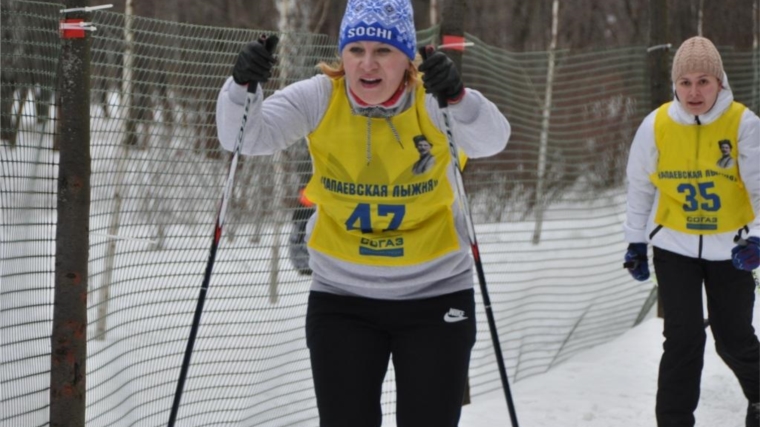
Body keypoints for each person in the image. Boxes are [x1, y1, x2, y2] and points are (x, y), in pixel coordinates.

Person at [215, 0, 510, 425]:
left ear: (407, 57)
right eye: (356, 50)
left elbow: (491, 141)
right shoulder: (320, 96)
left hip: (436, 295)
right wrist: (241, 86)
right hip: (342, 299)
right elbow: (244, 137)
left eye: (383, 51)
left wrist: (459, 97)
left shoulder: (432, 99)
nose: (367, 65)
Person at [623, 36, 760, 427]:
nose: (694, 91)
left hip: (732, 249)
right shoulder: (657, 124)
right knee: (682, 339)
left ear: (720, 82)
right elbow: (639, 186)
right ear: (674, 85)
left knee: (733, 338)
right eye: (685, 82)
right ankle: (674, 420)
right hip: (675, 247)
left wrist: (758, 238)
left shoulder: (743, 124)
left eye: (704, 81)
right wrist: (634, 241)